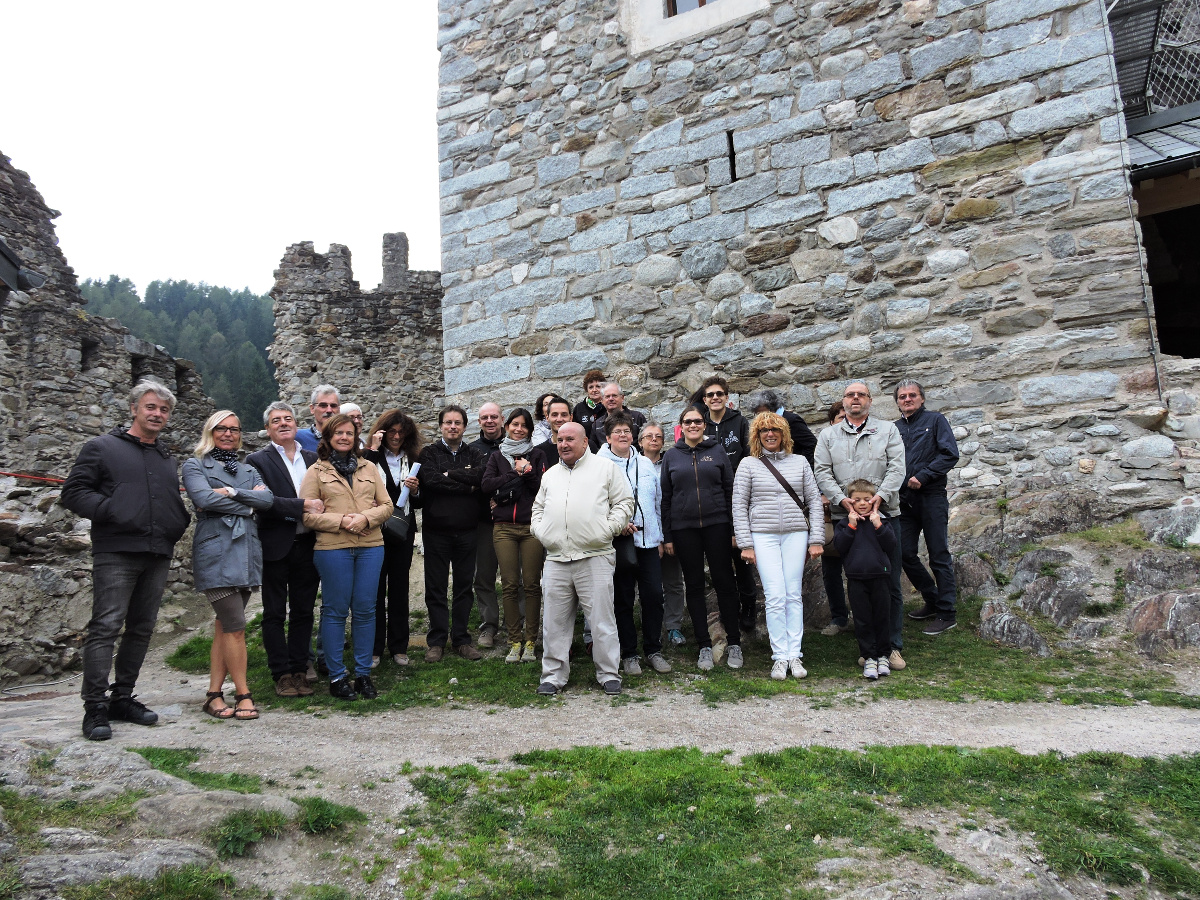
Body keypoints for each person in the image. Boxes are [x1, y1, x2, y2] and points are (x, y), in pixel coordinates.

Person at [62, 380, 191, 741]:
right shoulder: (101, 447)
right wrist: (111, 511)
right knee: (106, 626)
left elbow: (169, 499)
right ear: (134, 408)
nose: (158, 414)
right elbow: (73, 492)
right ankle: (95, 708)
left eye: (164, 410)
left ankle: (122, 698)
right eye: (151, 407)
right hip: (116, 550)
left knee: (141, 627)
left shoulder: (166, 456)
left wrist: (176, 523)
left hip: (156, 551)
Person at [182, 411, 275, 720]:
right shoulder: (195, 465)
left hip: (247, 552)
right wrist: (249, 504)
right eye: (221, 428)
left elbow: (268, 501)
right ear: (210, 431)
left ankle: (213, 695)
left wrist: (234, 492)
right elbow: (204, 499)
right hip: (217, 552)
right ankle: (244, 693)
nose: (228, 434)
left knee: (224, 626)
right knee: (235, 625)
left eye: (234, 429)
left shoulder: (248, 470)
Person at [531, 423, 634, 695]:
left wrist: (607, 529)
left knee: (602, 620)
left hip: (595, 556)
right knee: (554, 622)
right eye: (560, 440)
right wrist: (543, 533)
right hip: (556, 558)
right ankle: (553, 676)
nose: (563, 444)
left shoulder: (605, 468)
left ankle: (609, 674)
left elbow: (624, 502)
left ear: (585, 441)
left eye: (569, 439)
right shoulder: (551, 475)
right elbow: (537, 509)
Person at [814, 381, 907, 671]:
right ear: (843, 401)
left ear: (870, 400)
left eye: (861, 395)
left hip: (884, 515)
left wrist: (880, 497)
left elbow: (897, 467)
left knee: (889, 582)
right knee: (856, 583)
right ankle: (868, 649)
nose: (855, 399)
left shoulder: (888, 431)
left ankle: (891, 646)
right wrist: (843, 501)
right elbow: (822, 471)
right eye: (850, 395)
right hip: (847, 519)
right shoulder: (828, 435)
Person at [300, 414, 392, 700]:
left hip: (370, 546)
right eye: (338, 433)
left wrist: (364, 518)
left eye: (349, 433)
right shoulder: (316, 471)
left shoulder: (368, 467)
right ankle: (337, 676)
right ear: (328, 437)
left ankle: (363, 674)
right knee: (336, 610)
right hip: (333, 548)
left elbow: (387, 505)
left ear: (355, 438)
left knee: (366, 610)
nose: (343, 437)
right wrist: (342, 522)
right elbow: (307, 515)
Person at [732, 412, 824, 680]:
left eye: (775, 430)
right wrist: (746, 544)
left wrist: (816, 538)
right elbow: (739, 506)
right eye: (764, 431)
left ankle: (795, 655)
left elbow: (814, 502)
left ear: (784, 434)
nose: (770, 434)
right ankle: (779, 656)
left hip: (796, 533)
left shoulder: (800, 462)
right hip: (763, 535)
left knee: (793, 594)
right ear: (757, 436)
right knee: (774, 595)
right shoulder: (748, 465)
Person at [246, 402, 321, 698]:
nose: (283, 423)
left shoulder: (313, 458)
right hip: (275, 545)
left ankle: (300, 670)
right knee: (274, 613)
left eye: (288, 418)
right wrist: (302, 506)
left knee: (303, 611)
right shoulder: (256, 460)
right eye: (276, 420)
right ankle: (281, 673)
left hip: (309, 544)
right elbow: (264, 502)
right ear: (268, 429)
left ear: (296, 423)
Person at [661, 407, 741, 671]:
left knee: (725, 583)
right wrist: (669, 535)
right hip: (685, 529)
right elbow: (667, 499)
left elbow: (730, 490)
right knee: (694, 586)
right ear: (681, 426)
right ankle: (704, 645)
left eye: (697, 421)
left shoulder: (717, 451)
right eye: (688, 421)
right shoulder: (672, 456)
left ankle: (735, 643)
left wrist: (733, 529)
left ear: (704, 425)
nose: (693, 425)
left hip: (717, 524)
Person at [597, 413, 671, 675]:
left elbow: (657, 502)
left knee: (653, 597)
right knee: (623, 599)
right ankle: (629, 654)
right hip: (618, 543)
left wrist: (660, 537)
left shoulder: (645, 463)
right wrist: (617, 524)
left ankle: (653, 649)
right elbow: (596, 504)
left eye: (627, 430)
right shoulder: (598, 464)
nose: (623, 435)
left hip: (649, 542)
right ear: (607, 437)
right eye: (617, 431)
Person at [415, 405, 486, 662]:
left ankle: (461, 640)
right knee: (435, 587)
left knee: (464, 588)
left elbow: (480, 476)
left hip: (467, 531)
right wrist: (465, 484)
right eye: (448, 422)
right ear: (441, 426)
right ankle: (436, 641)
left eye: (457, 422)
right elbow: (431, 480)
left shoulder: (475, 453)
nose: (453, 427)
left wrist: (453, 476)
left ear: (465, 427)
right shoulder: (428, 453)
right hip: (436, 532)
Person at [690, 375, 757, 634]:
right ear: (704, 400)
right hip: (710, 500)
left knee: (741, 556)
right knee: (719, 561)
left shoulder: (740, 422)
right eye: (710, 395)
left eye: (719, 394)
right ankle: (729, 610)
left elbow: (751, 457)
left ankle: (749, 607)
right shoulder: (698, 424)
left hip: (739, 496)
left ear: (727, 397)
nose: (715, 398)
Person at [894, 379, 960, 636]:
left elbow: (949, 454)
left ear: (921, 398)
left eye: (912, 395)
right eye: (902, 397)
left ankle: (947, 612)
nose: (907, 399)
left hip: (931, 497)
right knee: (904, 553)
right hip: (904, 500)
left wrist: (924, 475)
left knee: (938, 554)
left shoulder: (935, 421)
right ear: (897, 402)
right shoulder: (894, 429)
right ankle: (932, 599)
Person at [481, 408, 547, 663]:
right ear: (506, 426)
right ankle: (514, 640)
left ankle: (531, 640)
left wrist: (528, 471)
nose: (519, 429)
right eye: (514, 424)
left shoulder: (539, 454)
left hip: (531, 527)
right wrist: (514, 472)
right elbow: (487, 485)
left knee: (531, 584)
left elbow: (542, 487)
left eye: (524, 426)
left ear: (530, 430)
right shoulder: (497, 456)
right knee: (509, 585)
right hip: (504, 528)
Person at [364, 409, 422, 667]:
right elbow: (360, 480)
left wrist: (416, 490)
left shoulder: (414, 459)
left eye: (401, 432)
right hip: (375, 528)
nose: (397, 436)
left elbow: (421, 500)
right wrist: (373, 448)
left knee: (399, 587)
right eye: (392, 432)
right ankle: (374, 648)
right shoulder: (370, 457)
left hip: (402, 530)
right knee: (375, 589)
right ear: (382, 432)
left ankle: (399, 646)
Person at [833, 480, 899, 680]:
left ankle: (883, 656)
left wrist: (878, 524)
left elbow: (892, 544)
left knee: (882, 617)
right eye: (857, 500)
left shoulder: (882, 521)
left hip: (880, 577)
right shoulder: (845, 523)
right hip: (856, 578)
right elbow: (839, 546)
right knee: (862, 620)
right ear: (849, 502)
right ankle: (868, 657)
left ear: (874, 500)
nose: (862, 503)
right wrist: (851, 526)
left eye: (867, 499)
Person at [640, 423, 687, 647]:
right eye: (649, 436)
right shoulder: (633, 465)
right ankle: (647, 627)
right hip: (641, 535)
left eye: (658, 436)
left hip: (669, 530)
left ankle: (673, 626)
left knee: (673, 582)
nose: (654, 440)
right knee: (644, 586)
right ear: (640, 442)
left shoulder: (671, 462)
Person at [470, 401, 505, 649]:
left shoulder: (515, 444)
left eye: (494, 416)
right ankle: (489, 626)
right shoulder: (472, 450)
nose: (490, 421)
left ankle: (519, 624)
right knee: (483, 576)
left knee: (520, 578)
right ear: (479, 421)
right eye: (485, 417)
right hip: (484, 522)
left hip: (514, 520)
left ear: (502, 419)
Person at [817, 401, 852, 637]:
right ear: (832, 422)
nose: (845, 421)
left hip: (860, 514)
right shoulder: (826, 441)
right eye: (841, 417)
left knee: (858, 568)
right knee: (831, 570)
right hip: (833, 515)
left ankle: (862, 617)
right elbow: (820, 471)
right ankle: (839, 618)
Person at [745, 389, 818, 469]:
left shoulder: (791, 420)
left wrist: (802, 466)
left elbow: (811, 444)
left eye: (761, 413)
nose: (759, 417)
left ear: (771, 409)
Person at [588, 382, 648, 450]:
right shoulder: (597, 425)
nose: (611, 399)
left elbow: (646, 444)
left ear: (622, 398)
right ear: (602, 400)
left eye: (614, 395)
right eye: (607, 396)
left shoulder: (638, 418)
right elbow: (594, 450)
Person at [296, 384, 340, 452]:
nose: (329, 410)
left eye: (333, 406)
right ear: (312, 408)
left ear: (339, 409)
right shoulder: (298, 438)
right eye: (323, 405)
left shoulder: (346, 440)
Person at [572, 368, 607, 438]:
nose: (594, 390)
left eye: (598, 386)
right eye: (591, 387)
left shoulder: (608, 406)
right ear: (586, 390)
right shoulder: (579, 408)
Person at [539, 395, 573, 466]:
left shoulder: (585, 446)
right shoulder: (539, 452)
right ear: (547, 418)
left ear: (571, 417)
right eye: (554, 415)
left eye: (564, 415)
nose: (559, 419)